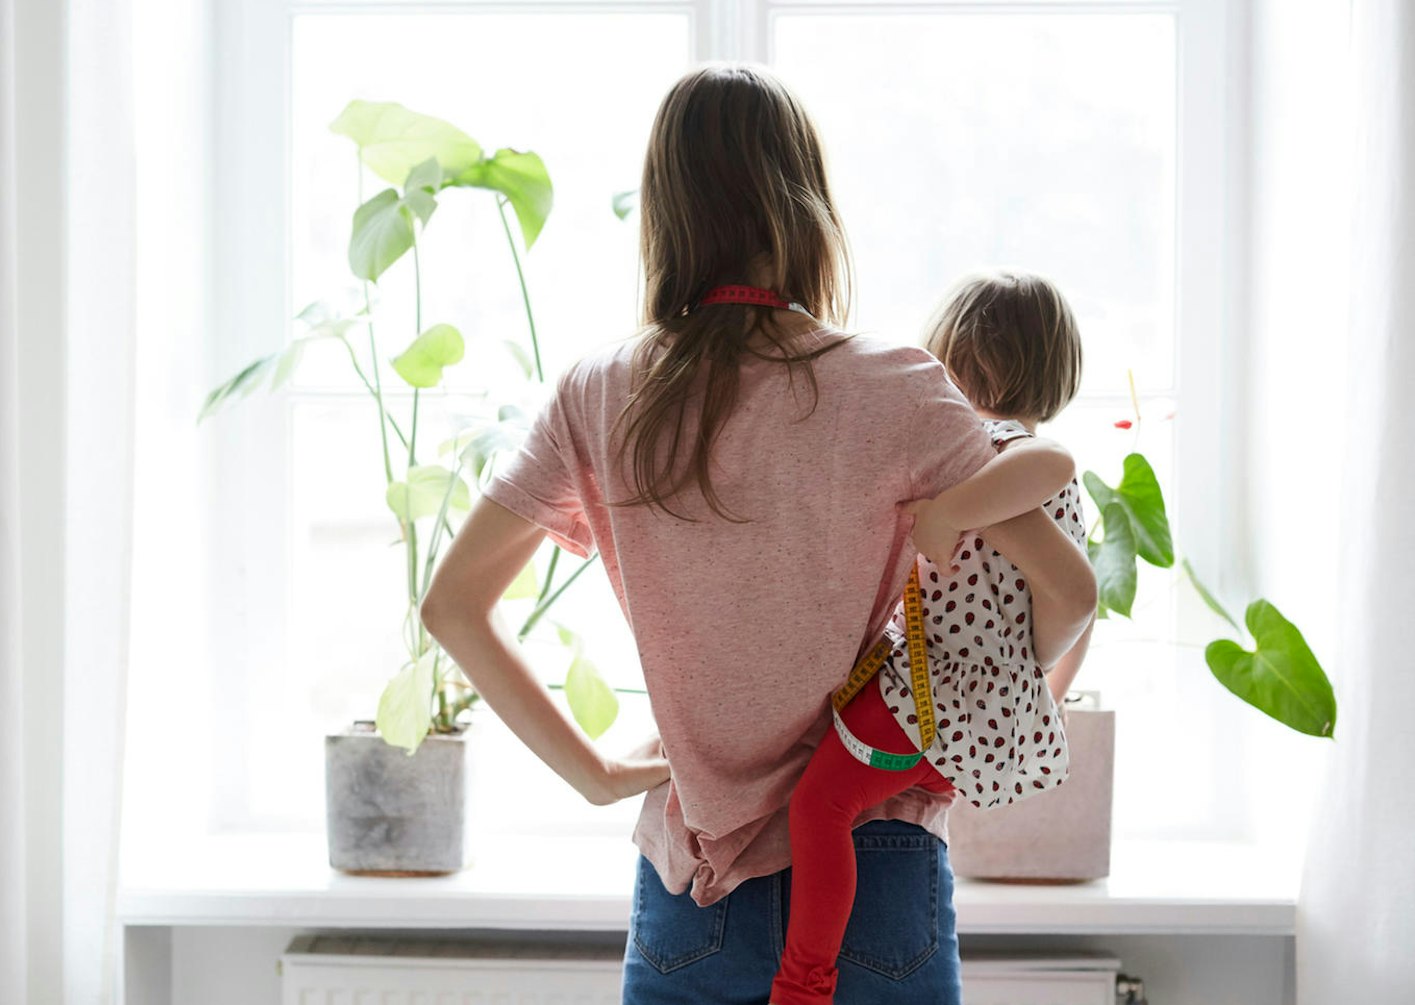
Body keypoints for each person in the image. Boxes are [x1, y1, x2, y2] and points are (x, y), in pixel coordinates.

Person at [422, 64, 1098, 1005]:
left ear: (666, 215)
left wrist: (594, 773)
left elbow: (451, 605)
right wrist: (974, 706)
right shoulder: (900, 386)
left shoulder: (601, 391)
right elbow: (1066, 592)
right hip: (881, 854)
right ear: (809, 209)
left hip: (693, 875)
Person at [772, 272, 1095, 1005]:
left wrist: (950, 512)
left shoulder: (988, 448)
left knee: (817, 809)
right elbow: (1073, 620)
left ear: (955, 360)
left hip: (931, 699)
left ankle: (803, 982)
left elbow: (1056, 459)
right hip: (963, 719)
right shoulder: (1019, 473)